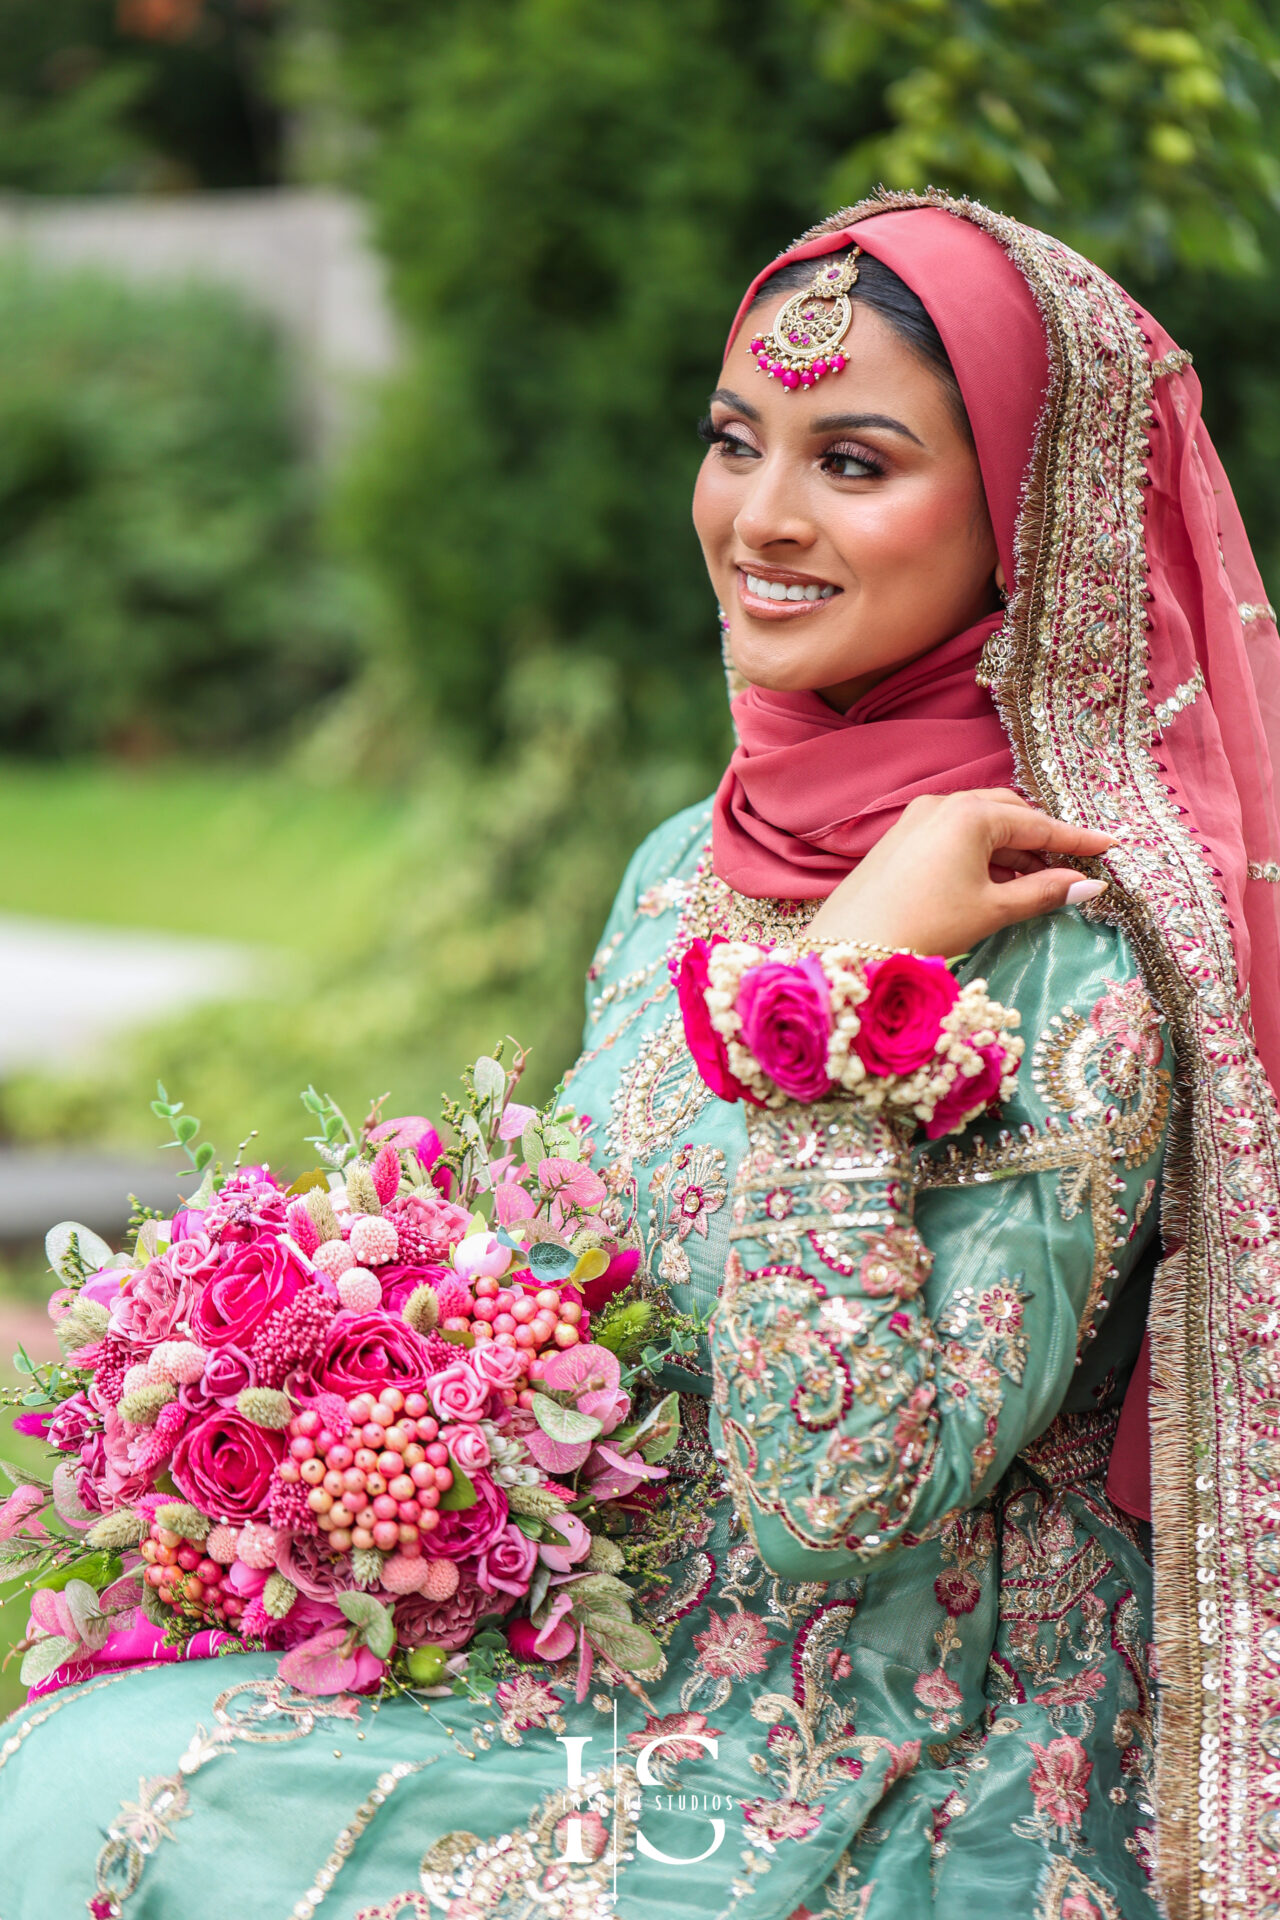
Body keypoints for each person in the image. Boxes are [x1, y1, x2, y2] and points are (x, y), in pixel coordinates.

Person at [4, 188, 1280, 1920]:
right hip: (595, 1663)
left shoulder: (1068, 935)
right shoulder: (687, 861)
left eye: (854, 462)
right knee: (73, 1766)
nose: (759, 515)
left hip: (887, 1756)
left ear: (1025, 522)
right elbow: (579, 1277)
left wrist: (833, 998)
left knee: (108, 1812)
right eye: (736, 440)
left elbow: (850, 1501)